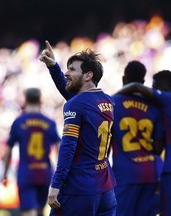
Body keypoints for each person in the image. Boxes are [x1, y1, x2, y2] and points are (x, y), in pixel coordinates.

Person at [116, 70, 171, 216]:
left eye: (154, 87)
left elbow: (136, 87)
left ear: (162, 87)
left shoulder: (168, 100)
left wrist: (111, 98)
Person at [39, 45, 117, 216]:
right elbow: (74, 95)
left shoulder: (76, 104)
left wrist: (56, 184)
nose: (67, 73)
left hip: (79, 189)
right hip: (106, 189)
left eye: (72, 69)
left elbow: (68, 146)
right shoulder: (108, 102)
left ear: (88, 75)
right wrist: (53, 67)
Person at [111, 61, 164, 216]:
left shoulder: (113, 103)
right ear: (143, 82)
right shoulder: (154, 106)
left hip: (125, 172)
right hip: (151, 172)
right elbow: (159, 147)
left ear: (123, 79)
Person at [3, 87, 61, 216]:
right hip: (45, 172)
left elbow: (8, 150)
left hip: (26, 173)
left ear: (26, 100)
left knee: (29, 211)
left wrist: (5, 174)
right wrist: (59, 171)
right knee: (40, 211)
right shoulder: (49, 122)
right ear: (40, 100)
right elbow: (59, 146)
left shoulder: (18, 122)